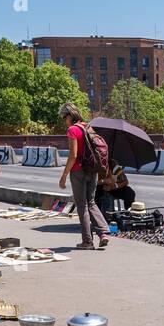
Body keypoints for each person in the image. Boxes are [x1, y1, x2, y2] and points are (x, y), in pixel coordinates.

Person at [57, 103, 109, 250]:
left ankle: (87, 242)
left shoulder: (72, 130)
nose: (63, 121)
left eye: (63, 118)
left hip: (78, 171)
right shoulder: (87, 127)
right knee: (91, 202)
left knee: (82, 205)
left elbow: (73, 155)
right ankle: (103, 233)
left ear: (69, 116)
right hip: (92, 169)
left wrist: (64, 175)